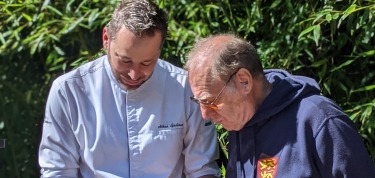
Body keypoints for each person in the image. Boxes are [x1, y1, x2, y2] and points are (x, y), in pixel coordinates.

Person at [38, 0, 221, 177]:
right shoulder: (68, 91)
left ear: (160, 50)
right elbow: (58, 171)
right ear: (106, 39)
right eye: (125, 61)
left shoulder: (185, 89)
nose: (134, 74)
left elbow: (202, 170)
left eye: (147, 62)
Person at [184, 33, 375, 177]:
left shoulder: (319, 121)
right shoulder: (241, 123)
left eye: (210, 101)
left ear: (244, 81)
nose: (205, 115)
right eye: (199, 102)